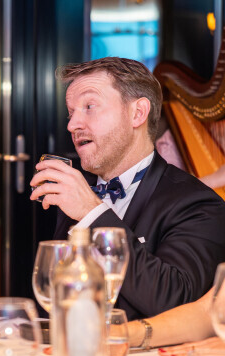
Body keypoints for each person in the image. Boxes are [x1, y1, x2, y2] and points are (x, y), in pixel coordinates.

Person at [30, 57, 225, 320]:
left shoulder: (199, 204)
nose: (72, 125)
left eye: (89, 107)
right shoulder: (78, 190)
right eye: (71, 112)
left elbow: (175, 301)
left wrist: (92, 213)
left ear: (138, 113)